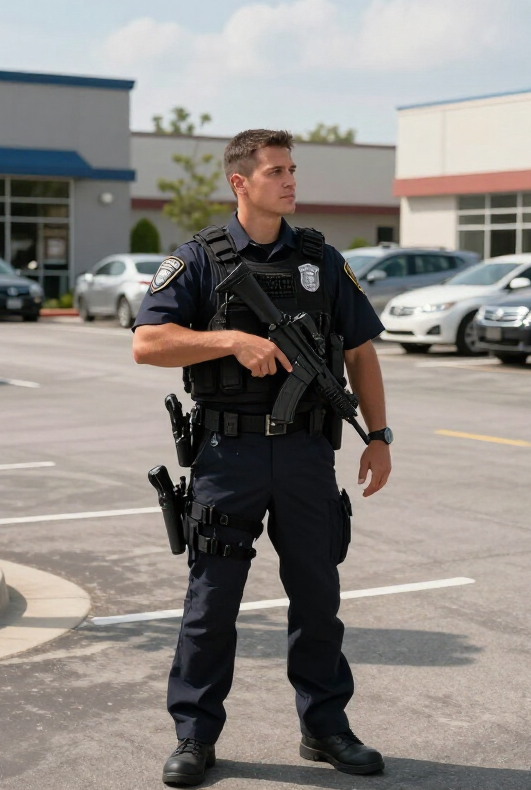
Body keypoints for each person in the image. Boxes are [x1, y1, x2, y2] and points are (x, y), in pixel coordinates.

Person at [132, 129, 394, 786]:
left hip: (308, 455)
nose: (290, 181)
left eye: (293, 169)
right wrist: (228, 341)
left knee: (317, 599)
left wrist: (381, 437)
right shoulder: (200, 258)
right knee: (211, 603)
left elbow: (361, 352)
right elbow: (148, 343)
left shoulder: (322, 260)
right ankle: (195, 736)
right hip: (228, 457)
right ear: (240, 183)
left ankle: (326, 727)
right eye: (276, 170)